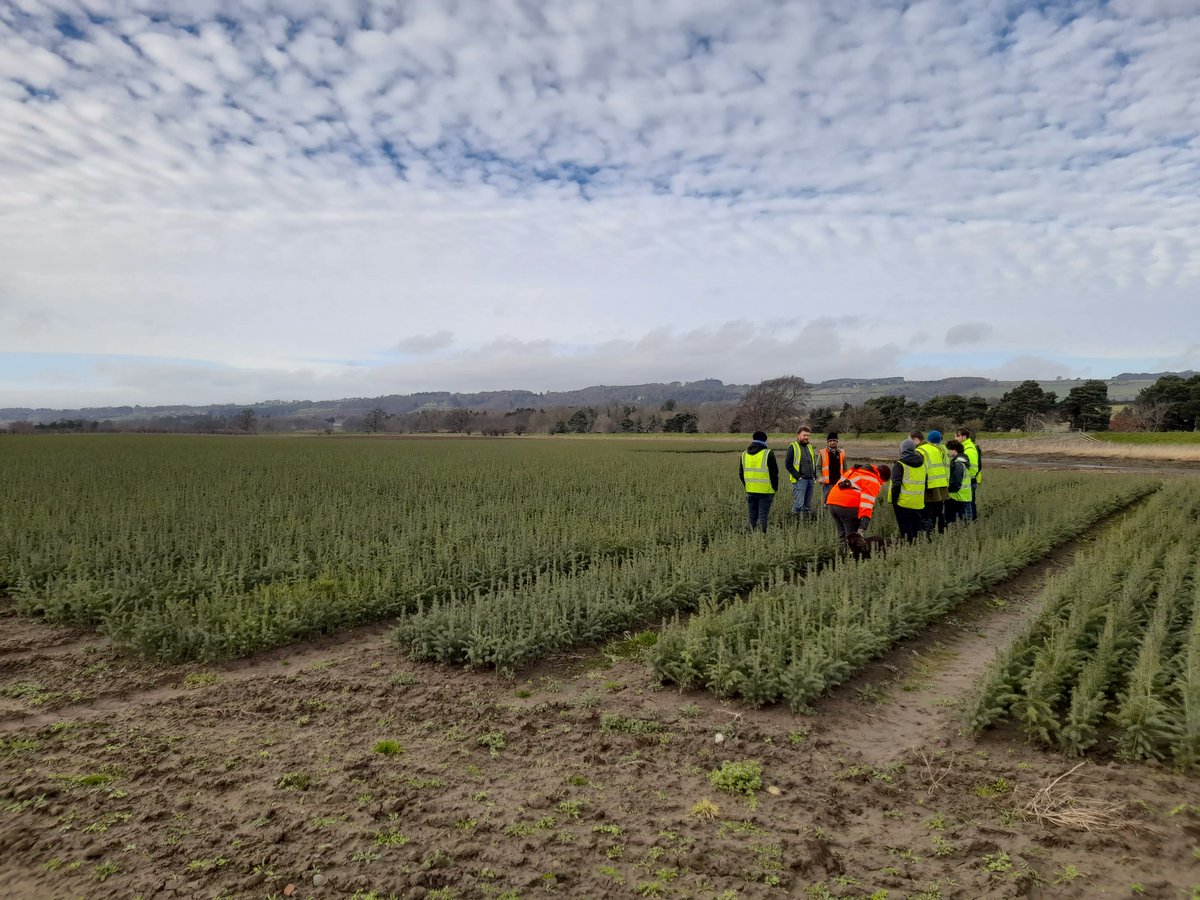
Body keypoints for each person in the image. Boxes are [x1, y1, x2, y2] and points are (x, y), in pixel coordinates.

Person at [825, 462, 891, 553]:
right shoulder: (873, 480)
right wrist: (864, 523)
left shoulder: (858, 471)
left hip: (832, 502)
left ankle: (841, 558)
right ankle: (851, 561)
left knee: (843, 538)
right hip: (847, 505)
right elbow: (867, 503)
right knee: (853, 540)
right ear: (882, 478)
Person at [739, 430, 778, 533]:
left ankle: (751, 536)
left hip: (750, 491)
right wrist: (774, 488)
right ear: (764, 440)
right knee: (763, 516)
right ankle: (763, 538)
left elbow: (741, 474)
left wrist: (748, 486)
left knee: (752, 515)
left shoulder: (744, 454)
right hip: (766, 491)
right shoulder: (768, 453)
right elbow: (774, 473)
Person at [890, 438, 926, 542]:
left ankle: (907, 547)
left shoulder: (900, 465)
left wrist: (894, 500)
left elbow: (896, 485)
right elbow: (925, 483)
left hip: (903, 503)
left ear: (902, 450)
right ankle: (917, 547)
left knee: (905, 530)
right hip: (918, 503)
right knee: (916, 529)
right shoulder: (922, 464)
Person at [915, 430, 950, 534]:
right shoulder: (941, 450)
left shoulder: (922, 451)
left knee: (926, 515)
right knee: (937, 513)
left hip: (930, 487)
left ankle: (929, 535)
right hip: (942, 486)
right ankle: (939, 533)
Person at [784, 427, 819, 517]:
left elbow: (813, 463)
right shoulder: (793, 447)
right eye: (804, 435)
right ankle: (794, 522)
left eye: (808, 435)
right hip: (800, 480)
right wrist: (798, 477)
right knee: (798, 505)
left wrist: (815, 476)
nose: (806, 437)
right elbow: (788, 464)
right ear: (798, 435)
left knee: (807, 506)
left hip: (810, 479)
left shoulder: (810, 446)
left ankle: (805, 523)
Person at [954, 427, 982, 520]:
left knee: (968, 504)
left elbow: (973, 469)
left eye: (957, 436)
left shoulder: (969, 449)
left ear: (964, 436)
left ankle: (970, 523)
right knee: (968, 503)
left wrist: (963, 478)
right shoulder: (964, 448)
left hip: (969, 481)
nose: (955, 438)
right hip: (967, 481)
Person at [944, 439, 972, 525]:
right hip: (965, 497)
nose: (947, 452)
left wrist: (947, 491)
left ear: (954, 450)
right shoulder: (963, 462)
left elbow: (956, 483)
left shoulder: (957, 464)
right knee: (965, 524)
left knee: (952, 524)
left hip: (956, 498)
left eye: (948, 449)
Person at [818, 433, 847, 506]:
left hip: (839, 481)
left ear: (837, 442)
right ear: (827, 442)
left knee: (838, 500)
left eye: (834, 440)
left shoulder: (842, 452)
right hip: (827, 481)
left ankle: (835, 514)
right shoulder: (822, 452)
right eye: (831, 441)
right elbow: (818, 467)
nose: (833, 442)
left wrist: (846, 478)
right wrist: (820, 477)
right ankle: (825, 513)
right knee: (827, 500)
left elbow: (845, 468)